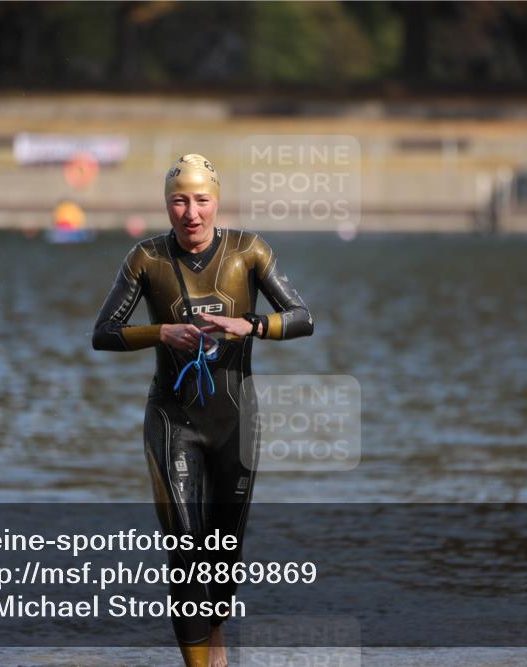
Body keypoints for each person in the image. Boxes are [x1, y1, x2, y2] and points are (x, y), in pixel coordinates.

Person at [91, 154, 313, 667]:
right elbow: (102, 334)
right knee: (188, 555)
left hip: (237, 423)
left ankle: (217, 655)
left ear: (216, 202)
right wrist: (159, 332)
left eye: (201, 200)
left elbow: (304, 318)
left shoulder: (247, 251)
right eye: (179, 201)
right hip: (173, 421)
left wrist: (251, 326)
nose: (191, 213)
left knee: (222, 561)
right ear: (167, 206)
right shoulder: (146, 259)